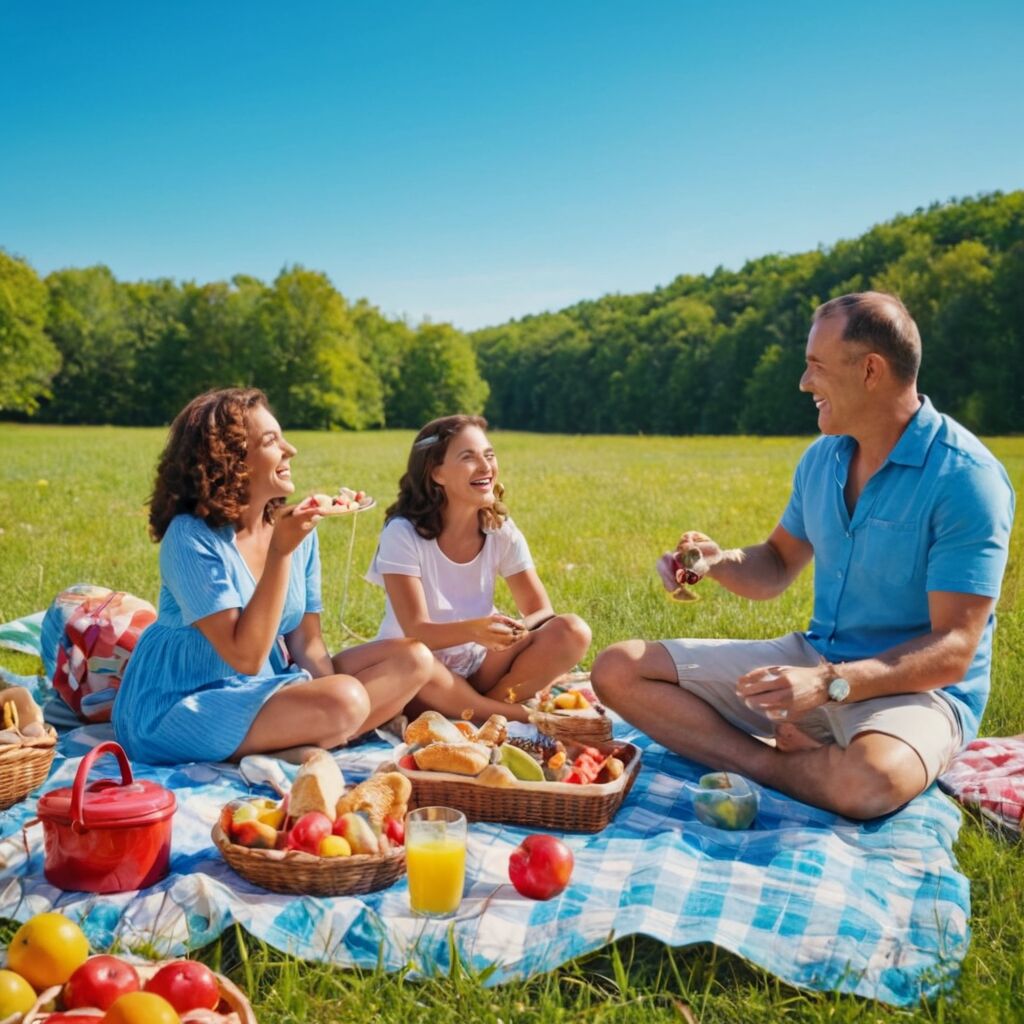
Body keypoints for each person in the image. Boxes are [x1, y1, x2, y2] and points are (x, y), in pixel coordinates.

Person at [592, 292, 1015, 819]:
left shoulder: (965, 478)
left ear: (870, 371)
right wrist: (717, 562)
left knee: (870, 780)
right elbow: (774, 564)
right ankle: (788, 766)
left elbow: (954, 649)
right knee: (618, 669)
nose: (804, 382)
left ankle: (788, 766)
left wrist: (830, 685)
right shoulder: (823, 459)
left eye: (816, 366)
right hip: (814, 664)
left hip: (915, 692)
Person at [113, 388, 433, 764]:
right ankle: (307, 738)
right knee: (346, 699)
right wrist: (281, 552)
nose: (290, 450)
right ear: (229, 461)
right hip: (182, 701)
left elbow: (307, 640)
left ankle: (315, 736)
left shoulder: (290, 528)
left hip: (263, 685)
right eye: (271, 441)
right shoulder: (190, 537)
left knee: (414, 659)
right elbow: (244, 657)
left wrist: (325, 695)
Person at [365, 414, 591, 723]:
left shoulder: (500, 530)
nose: (486, 467)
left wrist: (513, 631)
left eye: (489, 455)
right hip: (421, 672)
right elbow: (417, 631)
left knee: (572, 631)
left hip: (480, 667)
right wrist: (477, 629)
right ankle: (515, 715)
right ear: (437, 473)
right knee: (419, 661)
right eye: (468, 457)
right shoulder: (402, 533)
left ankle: (479, 711)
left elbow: (539, 610)